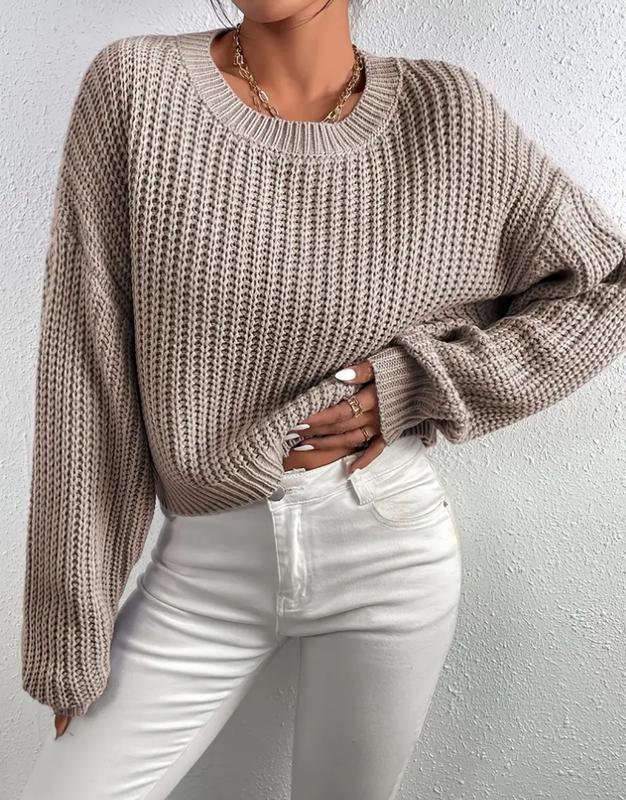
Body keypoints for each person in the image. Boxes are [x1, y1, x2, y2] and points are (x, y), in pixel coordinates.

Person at [20, 1, 626, 798]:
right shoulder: (137, 88)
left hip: (386, 549)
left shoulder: (444, 113)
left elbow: (604, 287)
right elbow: (86, 370)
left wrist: (417, 383)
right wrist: (71, 627)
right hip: (202, 572)